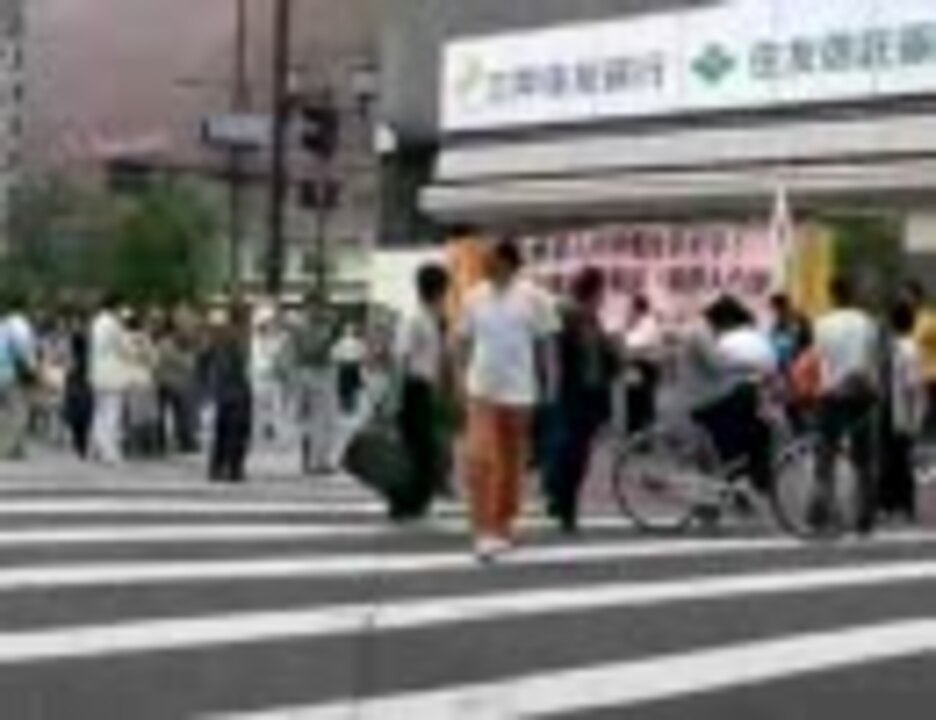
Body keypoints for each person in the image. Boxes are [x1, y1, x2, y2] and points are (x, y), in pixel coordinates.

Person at [457, 239, 559, 561]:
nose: (485, 263)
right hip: (481, 389)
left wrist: (552, 383)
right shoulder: (473, 296)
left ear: (508, 262)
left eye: (491, 258)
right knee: (480, 459)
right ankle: (483, 530)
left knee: (511, 463)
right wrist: (460, 379)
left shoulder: (535, 297)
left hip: (519, 392)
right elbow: (462, 340)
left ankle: (503, 524)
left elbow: (547, 345)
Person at [544, 267, 619, 533]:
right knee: (571, 450)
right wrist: (553, 388)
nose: (604, 297)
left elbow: (602, 354)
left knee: (578, 451)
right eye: (601, 291)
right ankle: (563, 503)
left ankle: (561, 499)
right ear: (592, 291)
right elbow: (555, 354)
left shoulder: (591, 318)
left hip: (589, 393)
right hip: (572, 393)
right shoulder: (567, 314)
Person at [813, 277, 880, 534]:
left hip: (831, 394)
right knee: (864, 458)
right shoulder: (867, 322)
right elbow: (871, 359)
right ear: (853, 294)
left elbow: (821, 359)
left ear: (832, 295)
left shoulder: (821, 323)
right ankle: (865, 517)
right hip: (861, 394)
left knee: (826, 454)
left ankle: (820, 512)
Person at [392, 263, 454, 521]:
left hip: (425, 389)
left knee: (423, 448)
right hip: (412, 389)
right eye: (444, 290)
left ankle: (414, 502)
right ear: (438, 291)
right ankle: (407, 503)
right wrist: (396, 399)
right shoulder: (414, 319)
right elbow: (401, 359)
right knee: (417, 449)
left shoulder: (432, 320)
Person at [881, 301, 926, 523]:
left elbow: (912, 385)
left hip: (897, 412)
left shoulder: (903, 348)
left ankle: (899, 506)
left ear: (893, 322)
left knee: (896, 460)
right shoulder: (904, 347)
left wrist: (914, 419)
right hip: (896, 412)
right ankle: (897, 505)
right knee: (897, 460)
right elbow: (914, 386)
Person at [285, 298, 339, 475]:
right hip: (311, 374)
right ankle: (313, 461)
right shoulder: (302, 328)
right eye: (314, 307)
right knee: (314, 421)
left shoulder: (308, 327)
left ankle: (318, 460)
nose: (317, 311)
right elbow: (311, 350)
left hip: (318, 374)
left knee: (322, 421)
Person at [207, 304, 253, 482]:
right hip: (236, 389)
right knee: (237, 430)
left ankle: (217, 467)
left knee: (223, 430)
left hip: (224, 389)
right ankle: (234, 467)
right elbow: (236, 362)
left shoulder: (222, 334)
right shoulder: (237, 336)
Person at [89, 295, 132, 464]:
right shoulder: (114, 324)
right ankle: (110, 452)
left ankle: (97, 448)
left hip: (97, 371)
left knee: (99, 411)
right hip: (112, 372)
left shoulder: (96, 322)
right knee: (112, 411)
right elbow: (123, 347)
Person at [624, 294, 663, 434]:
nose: (629, 311)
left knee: (639, 397)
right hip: (640, 364)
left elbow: (637, 344)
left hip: (644, 365)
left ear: (637, 309)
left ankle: (639, 428)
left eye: (631, 308)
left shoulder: (648, 323)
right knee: (642, 397)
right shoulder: (640, 322)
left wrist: (628, 331)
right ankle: (643, 426)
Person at [62, 306, 94, 458]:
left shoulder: (82, 337)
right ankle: (80, 444)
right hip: (79, 377)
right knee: (80, 412)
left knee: (81, 412)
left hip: (80, 377)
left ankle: (81, 444)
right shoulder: (81, 337)